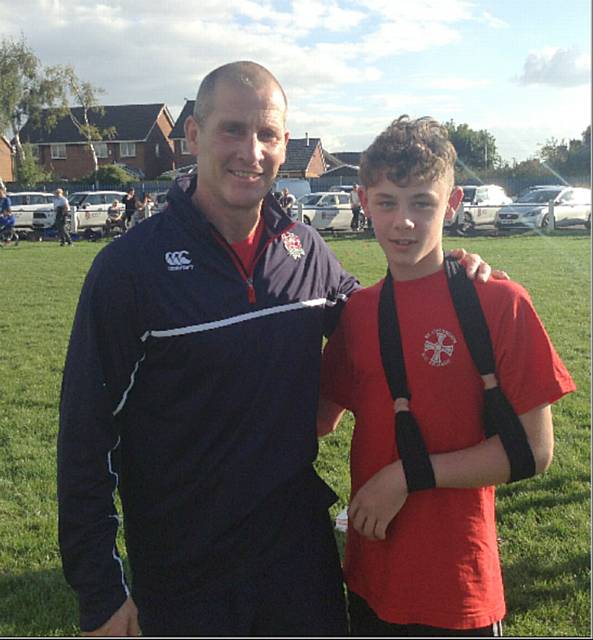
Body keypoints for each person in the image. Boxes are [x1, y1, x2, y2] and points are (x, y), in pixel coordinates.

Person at [57, 63, 497, 637]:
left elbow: (376, 320)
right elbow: (85, 438)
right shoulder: (128, 271)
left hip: (298, 562)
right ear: (193, 135)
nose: (251, 151)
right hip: (184, 573)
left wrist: (452, 278)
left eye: (267, 135)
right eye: (232, 130)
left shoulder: (304, 248)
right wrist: (100, 592)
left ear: (285, 144)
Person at [317, 116, 576, 637]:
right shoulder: (359, 313)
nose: (403, 222)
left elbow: (533, 451)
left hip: (458, 587)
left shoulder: (500, 303)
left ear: (453, 203)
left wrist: (407, 475)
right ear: (362, 202)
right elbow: (319, 422)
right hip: (370, 573)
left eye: (422, 203)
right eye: (387, 202)